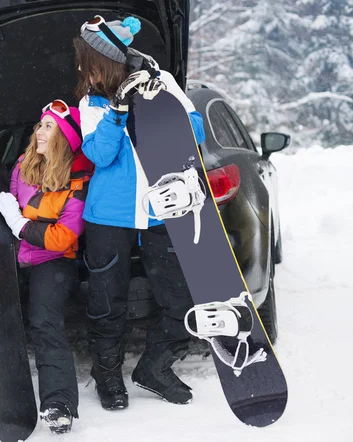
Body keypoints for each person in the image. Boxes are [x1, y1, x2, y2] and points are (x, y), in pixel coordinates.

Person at [73, 15, 207, 410]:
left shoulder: (161, 81)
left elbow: (195, 132)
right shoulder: (91, 102)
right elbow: (99, 154)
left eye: (85, 58)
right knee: (106, 303)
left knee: (179, 299)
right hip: (108, 217)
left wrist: (156, 100)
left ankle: (155, 367)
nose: (80, 67)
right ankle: (108, 376)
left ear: (105, 58)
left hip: (161, 211)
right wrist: (117, 110)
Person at [0, 99, 92, 433]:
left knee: (44, 322)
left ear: (65, 136)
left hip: (55, 262)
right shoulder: (23, 165)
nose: (40, 131)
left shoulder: (78, 179)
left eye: (49, 126)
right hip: (17, 257)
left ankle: (59, 402)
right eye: (40, 125)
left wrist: (21, 226)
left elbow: (63, 236)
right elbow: (4, 204)